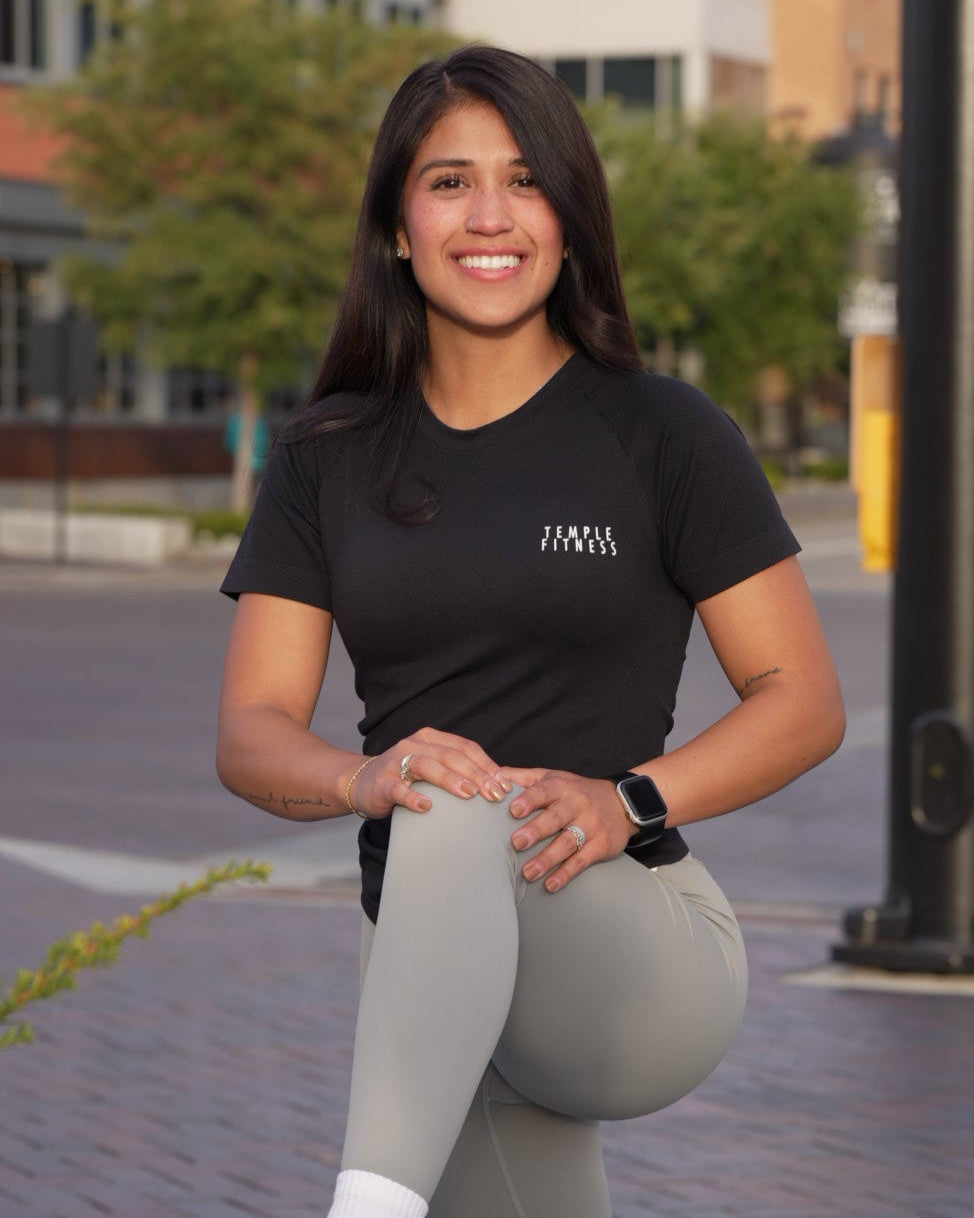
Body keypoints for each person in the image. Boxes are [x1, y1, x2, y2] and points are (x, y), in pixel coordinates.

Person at [216, 46, 845, 1218]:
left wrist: (629, 801)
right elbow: (252, 732)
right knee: (431, 789)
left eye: (523, 180)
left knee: (456, 797)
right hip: (428, 961)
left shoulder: (662, 434)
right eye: (449, 182)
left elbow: (801, 701)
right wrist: (365, 777)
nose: (489, 216)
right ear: (397, 227)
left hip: (633, 957)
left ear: (568, 219)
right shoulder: (326, 456)